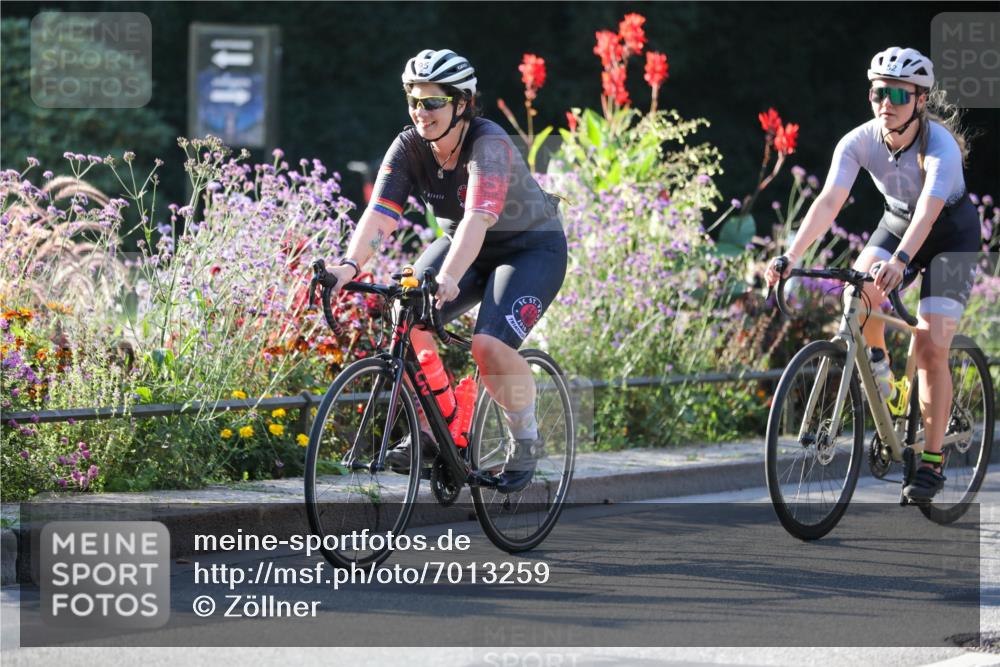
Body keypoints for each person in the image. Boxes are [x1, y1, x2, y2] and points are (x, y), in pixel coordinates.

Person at [323, 49, 568, 493]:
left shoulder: (488, 144)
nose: (421, 112)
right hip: (463, 243)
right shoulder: (408, 146)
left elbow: (477, 218)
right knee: (405, 312)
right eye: (415, 101)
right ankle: (440, 425)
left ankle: (526, 439)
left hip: (530, 249)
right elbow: (379, 215)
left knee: (488, 347)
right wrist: (347, 265)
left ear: (461, 104)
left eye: (433, 102)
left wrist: (449, 276)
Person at [764, 46, 980, 503]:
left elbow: (928, 211)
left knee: (929, 347)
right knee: (854, 299)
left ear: (921, 101)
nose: (887, 102)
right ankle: (881, 375)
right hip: (898, 221)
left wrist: (900, 262)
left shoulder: (938, 147)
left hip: (949, 234)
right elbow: (829, 200)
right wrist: (790, 255)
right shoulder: (859, 140)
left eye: (899, 94)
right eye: (879, 91)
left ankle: (933, 463)